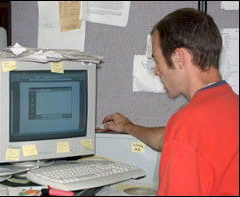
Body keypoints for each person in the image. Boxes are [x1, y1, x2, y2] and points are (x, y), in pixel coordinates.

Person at [101, 8, 239, 196]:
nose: (157, 71)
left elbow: (182, 137)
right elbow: (167, 138)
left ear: (178, 57)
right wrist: (128, 127)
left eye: (157, 61)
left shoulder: (188, 125)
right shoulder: (229, 105)